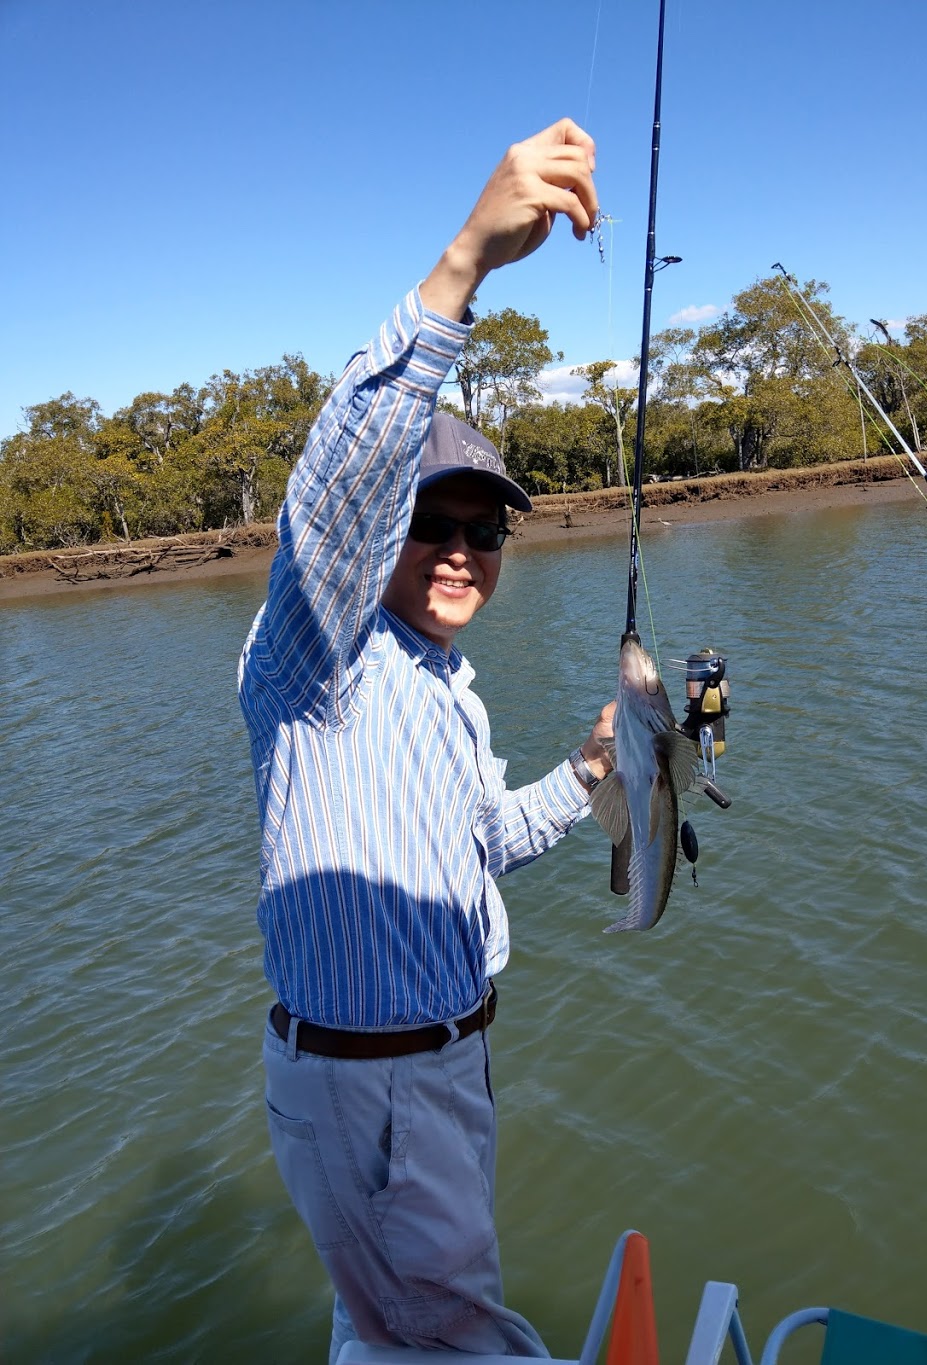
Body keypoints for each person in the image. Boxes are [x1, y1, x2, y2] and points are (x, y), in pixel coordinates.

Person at [238, 118, 614, 1359]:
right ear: (381, 536)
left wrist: (587, 774)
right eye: (431, 519)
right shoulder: (318, 655)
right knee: (449, 1340)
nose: (462, 544)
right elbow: (334, 496)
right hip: (375, 1085)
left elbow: (474, 843)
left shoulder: (436, 681)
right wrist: (461, 267)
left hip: (437, 1072)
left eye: (487, 527)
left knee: (394, 1322)